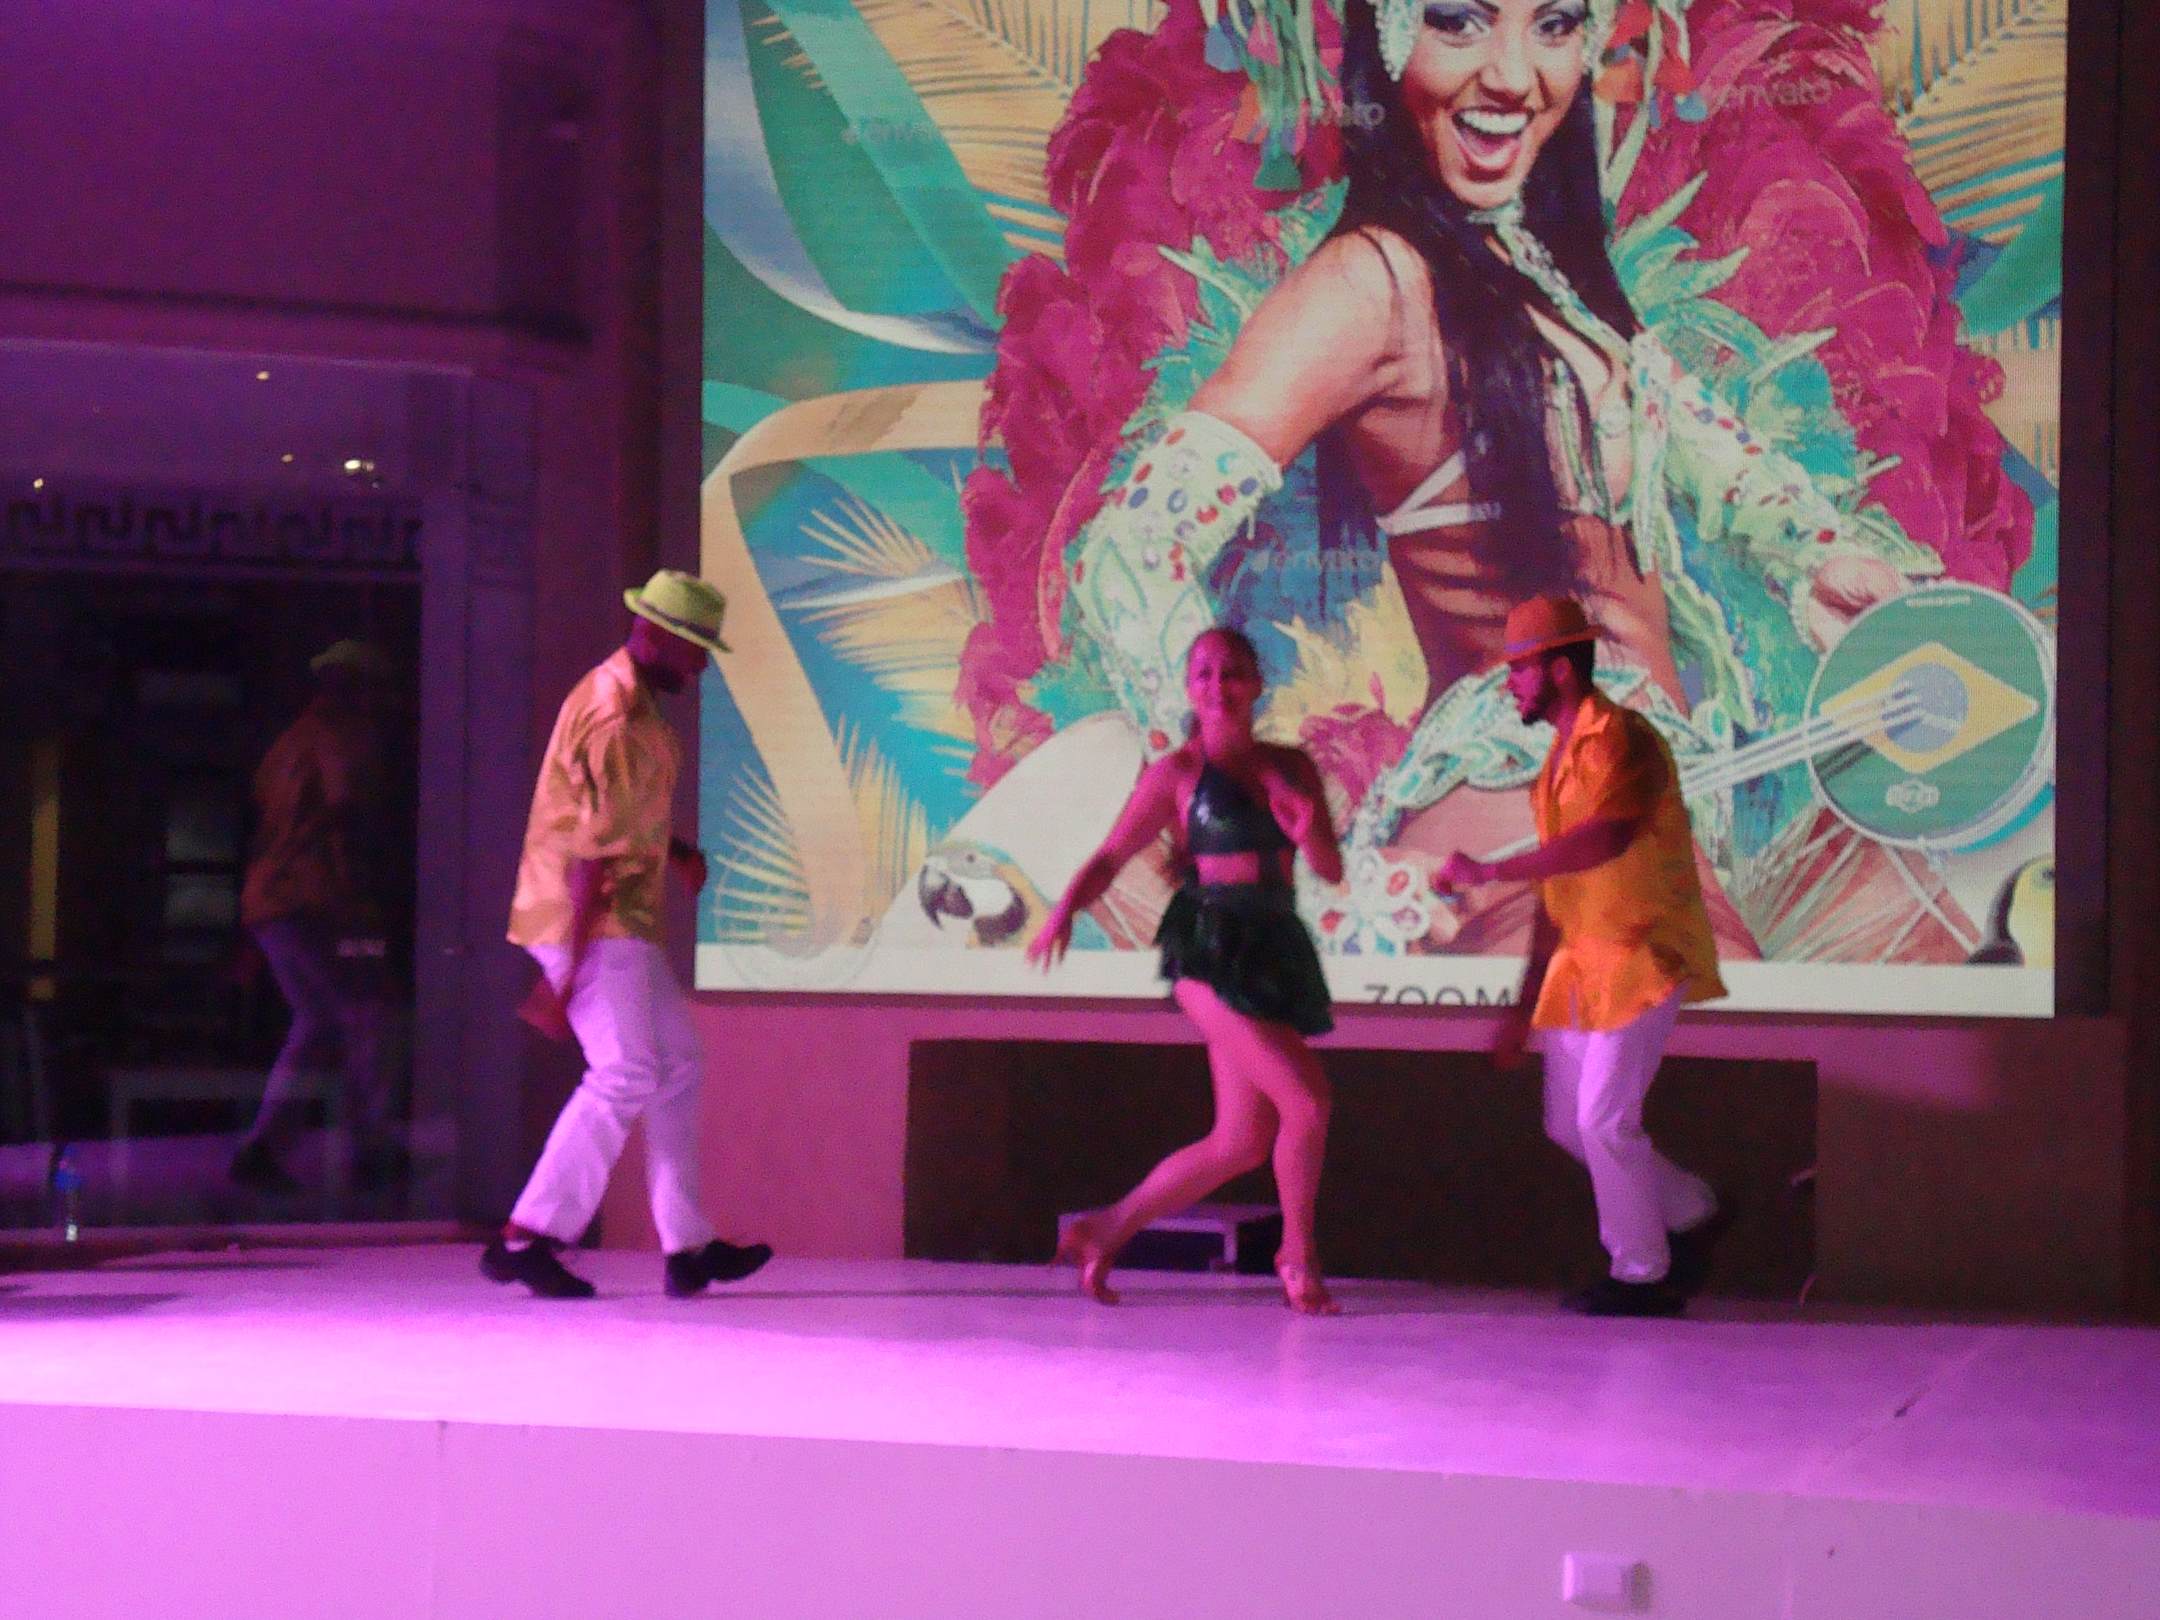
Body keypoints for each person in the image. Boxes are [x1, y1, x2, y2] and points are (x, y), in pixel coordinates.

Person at [1062, 0, 1941, 963]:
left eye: (1555, 25)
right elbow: (1132, 547)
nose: (1515, 77)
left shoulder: (1548, 273)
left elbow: (1702, 443)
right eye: (1459, 21)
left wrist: (1816, 558)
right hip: (1530, 788)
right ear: (1390, 39)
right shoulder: (1372, 283)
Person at [1026, 627, 1346, 1314]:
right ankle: (1297, 1254)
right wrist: (1063, 911)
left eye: (1232, 672)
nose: (1218, 686)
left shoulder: (1291, 767)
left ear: (1256, 683)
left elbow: (1328, 868)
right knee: (1307, 1102)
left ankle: (1102, 1230)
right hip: (1207, 948)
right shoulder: (1174, 773)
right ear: (1189, 688)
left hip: (1272, 947)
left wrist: (1306, 829)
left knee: (1240, 1141)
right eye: (1204, 673)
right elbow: (1111, 855)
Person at [1434, 597, 1733, 1317]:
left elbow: (1606, 838)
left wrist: (1490, 871)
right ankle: (1691, 1210)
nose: (1510, 684)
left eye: (1520, 668)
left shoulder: (1623, 738)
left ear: (1560, 670)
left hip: (1641, 955)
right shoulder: (1555, 767)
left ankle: (1643, 1273)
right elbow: (1557, 890)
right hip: (1582, 965)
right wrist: (1520, 1008)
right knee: (1570, 1124)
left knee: (1603, 1121)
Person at [482, 570, 772, 1300]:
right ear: (657, 635)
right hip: (587, 913)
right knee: (625, 1071)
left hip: (617, 914)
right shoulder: (616, 717)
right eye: (696, 648)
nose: (701, 665)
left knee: (676, 1062)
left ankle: (688, 1247)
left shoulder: (634, 706)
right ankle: (528, 1234)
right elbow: (590, 859)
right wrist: (567, 974)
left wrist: (674, 852)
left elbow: (617, 818)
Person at [230, 639, 407, 1195]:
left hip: (273, 904)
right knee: (371, 1014)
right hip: (319, 904)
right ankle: (368, 1148)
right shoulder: (345, 738)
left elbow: (265, 820)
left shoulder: (288, 742)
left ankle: (268, 1147)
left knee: (321, 1017)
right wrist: (365, 906)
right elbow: (347, 810)